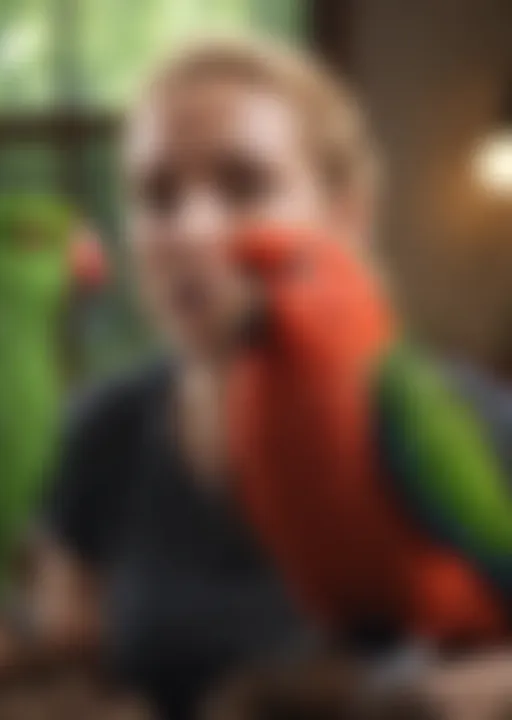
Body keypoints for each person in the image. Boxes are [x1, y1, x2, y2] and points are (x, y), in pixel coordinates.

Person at [34, 36, 380, 720]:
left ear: (344, 217)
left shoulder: (472, 425)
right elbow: (64, 657)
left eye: (244, 185)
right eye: (156, 197)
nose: (190, 230)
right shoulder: (104, 429)